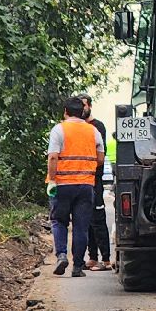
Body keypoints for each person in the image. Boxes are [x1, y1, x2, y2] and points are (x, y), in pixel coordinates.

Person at [46, 96, 101, 276]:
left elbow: (53, 156)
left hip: (62, 184)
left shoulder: (59, 130)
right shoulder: (93, 131)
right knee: (81, 226)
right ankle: (78, 267)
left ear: (65, 112)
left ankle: (61, 255)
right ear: (82, 111)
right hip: (85, 185)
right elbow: (100, 158)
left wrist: (52, 180)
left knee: (59, 221)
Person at [77, 94, 113, 271]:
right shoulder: (79, 127)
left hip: (94, 179)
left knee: (98, 218)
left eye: (83, 105)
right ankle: (92, 257)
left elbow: (100, 153)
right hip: (82, 179)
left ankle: (106, 259)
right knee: (87, 219)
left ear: (89, 106)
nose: (81, 109)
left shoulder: (97, 126)